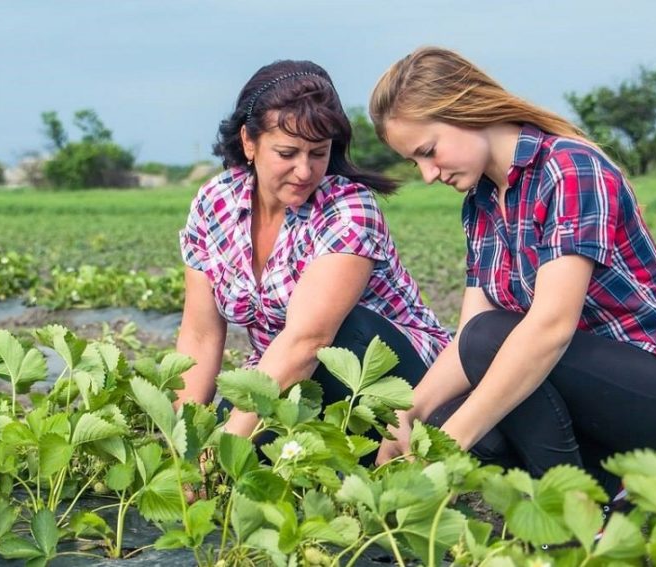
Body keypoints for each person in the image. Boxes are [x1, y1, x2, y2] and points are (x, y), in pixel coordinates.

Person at [369, 47, 656, 497]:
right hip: (596, 390)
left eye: (428, 152)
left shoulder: (568, 168)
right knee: (451, 405)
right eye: (415, 162)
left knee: (489, 356)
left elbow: (548, 328)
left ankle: (571, 513)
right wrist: (408, 414)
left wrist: (451, 444)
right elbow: (468, 336)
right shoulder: (482, 203)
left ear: (464, 109)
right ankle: (600, 494)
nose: (428, 174)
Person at [175, 60, 450, 441]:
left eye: (317, 153)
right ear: (249, 142)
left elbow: (309, 340)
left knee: (341, 332)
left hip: (401, 379)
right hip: (296, 378)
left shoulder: (348, 209)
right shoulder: (215, 203)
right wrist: (185, 440)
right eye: (287, 153)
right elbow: (200, 335)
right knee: (223, 440)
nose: (304, 171)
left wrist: (226, 446)